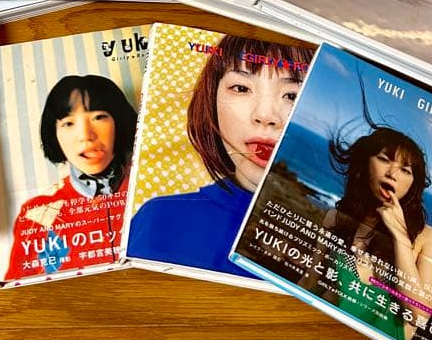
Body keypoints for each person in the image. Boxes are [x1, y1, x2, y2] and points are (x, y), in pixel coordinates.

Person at [127, 35, 314, 278]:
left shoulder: (345, 242)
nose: (266, 115)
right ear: (211, 99)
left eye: (292, 95)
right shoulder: (160, 220)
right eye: (241, 88)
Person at [306, 117, 432, 340]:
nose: (392, 174)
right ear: (364, 165)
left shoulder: (428, 238)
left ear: (413, 184)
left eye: (405, 170)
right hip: (324, 333)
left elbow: (419, 317)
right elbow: (310, 282)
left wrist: (400, 237)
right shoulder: (336, 219)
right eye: (384, 159)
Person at [5, 74, 137, 281]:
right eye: (68, 123)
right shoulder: (35, 213)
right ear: (54, 134)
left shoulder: (150, 187)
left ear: (119, 123)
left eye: (99, 117)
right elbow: (18, 285)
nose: (85, 135)